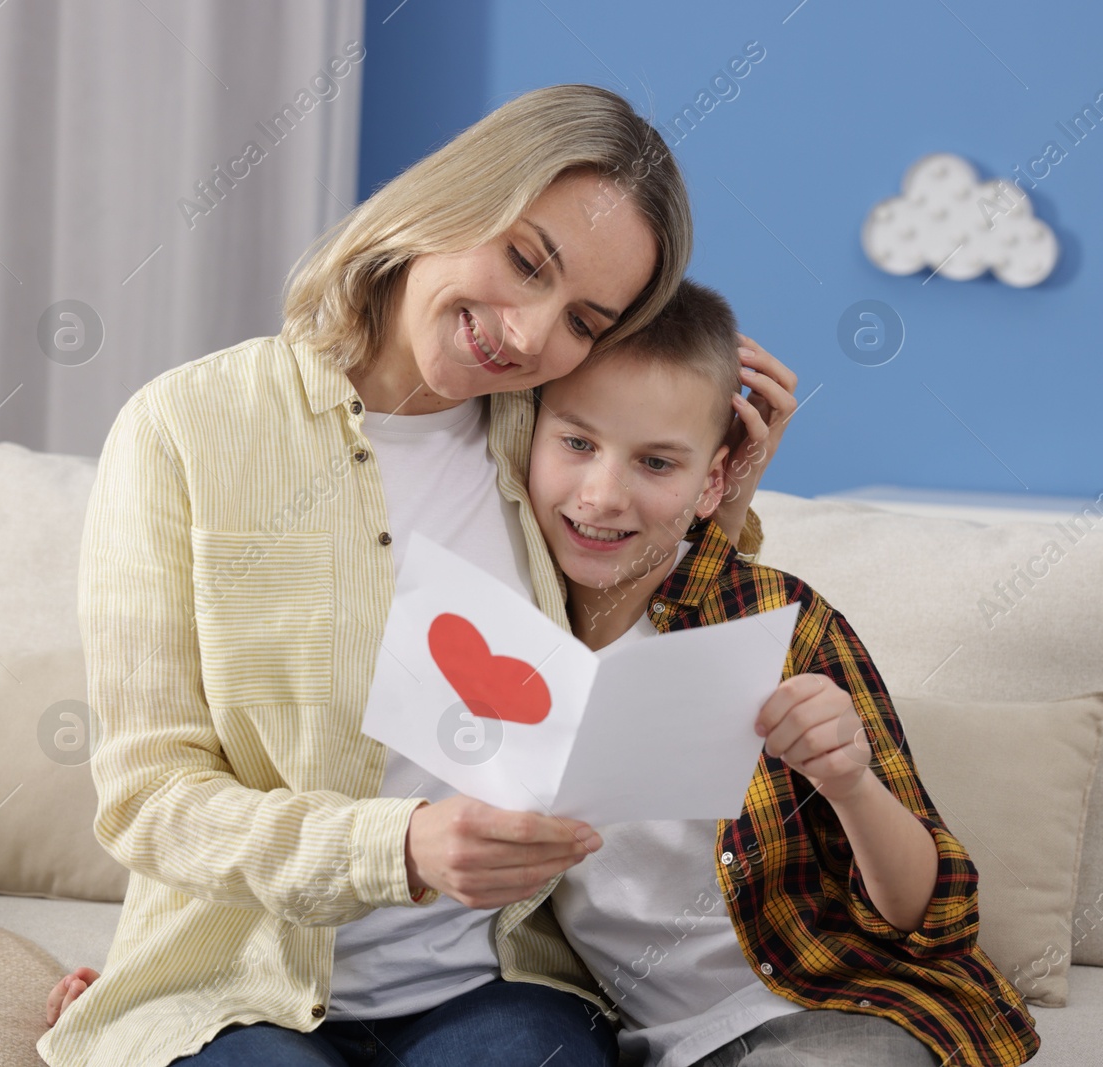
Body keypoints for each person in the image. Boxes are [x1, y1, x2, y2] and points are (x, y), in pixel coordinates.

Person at [53, 281, 1040, 1067]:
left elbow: (936, 907)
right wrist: (157, 971)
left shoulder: (773, 622)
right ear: (525, 440)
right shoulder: (497, 623)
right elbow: (282, 785)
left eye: (657, 462)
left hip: (824, 1002)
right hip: (644, 1032)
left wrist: (849, 778)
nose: (603, 492)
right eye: (575, 444)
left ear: (711, 479)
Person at [39, 84, 799, 1067]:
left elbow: (639, 658)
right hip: (233, 987)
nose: (527, 334)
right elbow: (148, 797)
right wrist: (395, 846)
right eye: (526, 261)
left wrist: (720, 496)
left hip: (489, 985)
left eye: (582, 319)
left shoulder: (550, 443)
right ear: (450, 199)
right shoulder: (184, 427)